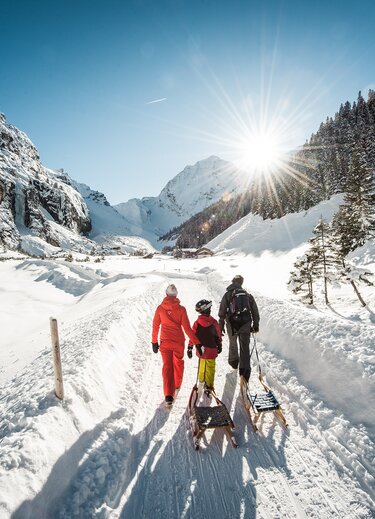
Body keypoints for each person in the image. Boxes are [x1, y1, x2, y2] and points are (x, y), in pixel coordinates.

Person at [152, 284, 201, 406]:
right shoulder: (181, 309)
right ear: (176, 295)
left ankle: (169, 395)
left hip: (165, 342)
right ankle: (177, 386)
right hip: (178, 342)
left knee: (167, 366)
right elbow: (187, 329)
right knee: (178, 363)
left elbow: (155, 326)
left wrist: (154, 341)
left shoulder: (160, 308)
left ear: (166, 294)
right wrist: (197, 343)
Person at [218, 275, 260, 382]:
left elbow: (222, 311)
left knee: (233, 343)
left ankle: (233, 362)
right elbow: (255, 311)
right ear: (241, 283)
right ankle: (245, 372)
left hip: (232, 324)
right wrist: (255, 325)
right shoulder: (247, 295)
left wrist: (221, 325)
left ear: (232, 282)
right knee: (244, 347)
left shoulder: (228, 294)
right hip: (246, 324)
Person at [187, 299, 222, 394]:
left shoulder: (197, 323)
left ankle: (201, 381)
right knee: (210, 367)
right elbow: (218, 335)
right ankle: (209, 386)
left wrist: (190, 347)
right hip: (211, 350)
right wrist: (219, 344)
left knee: (201, 365)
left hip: (201, 351)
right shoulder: (214, 322)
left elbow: (192, 336)